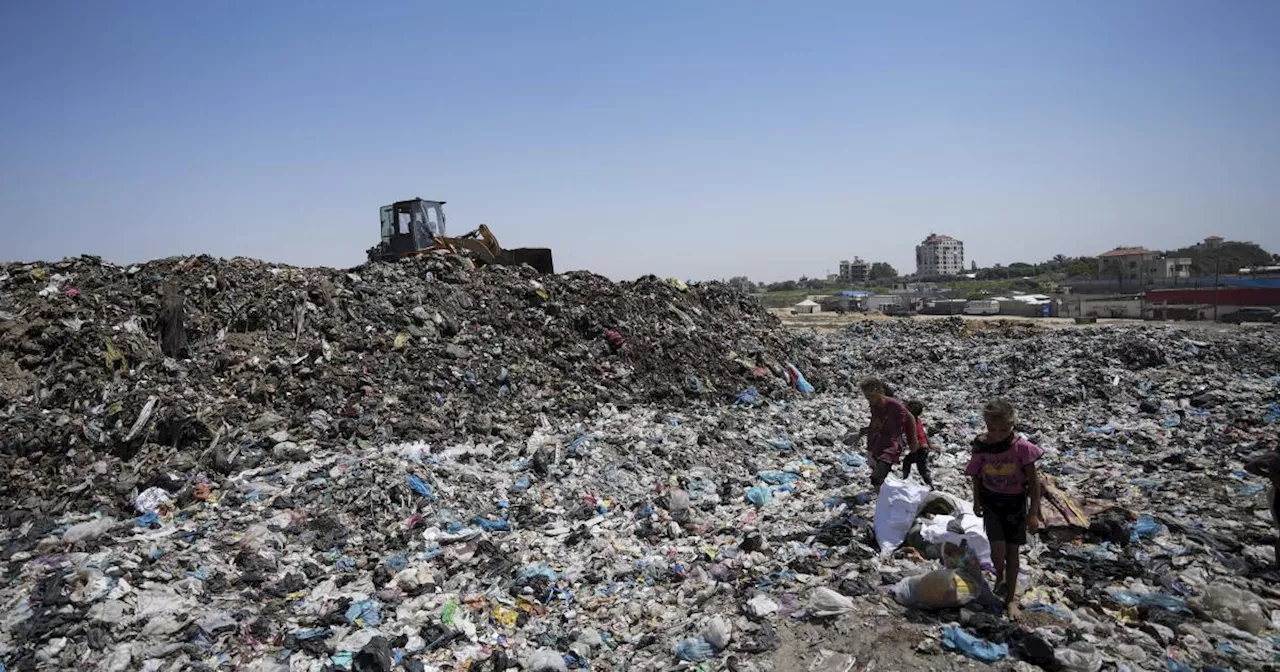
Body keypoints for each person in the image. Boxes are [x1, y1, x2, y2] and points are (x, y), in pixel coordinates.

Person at [965, 398, 1043, 619]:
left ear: (1012, 425)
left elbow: (1034, 482)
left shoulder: (1022, 448)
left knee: (1012, 552)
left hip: (1015, 504)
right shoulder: (981, 445)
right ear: (986, 424)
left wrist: (1033, 514)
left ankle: (1010, 600)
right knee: (997, 551)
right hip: (992, 502)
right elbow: (977, 476)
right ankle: (999, 575)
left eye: (1003, 429)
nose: (998, 434)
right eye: (992, 429)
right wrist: (976, 501)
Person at [858, 378, 919, 492]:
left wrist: (913, 441)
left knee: (877, 475)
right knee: (876, 470)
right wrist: (868, 431)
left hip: (891, 444)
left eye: (870, 396)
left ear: (878, 390)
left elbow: (909, 417)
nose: (869, 399)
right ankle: (882, 495)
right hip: (877, 442)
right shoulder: (874, 405)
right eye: (866, 397)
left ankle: (882, 494)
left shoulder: (893, 404)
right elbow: (875, 421)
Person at [1244, 448, 1280, 566]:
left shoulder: (1273, 457)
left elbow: (1249, 466)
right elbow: (1249, 466)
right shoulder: (1273, 458)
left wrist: (1268, 475)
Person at [901, 400, 934, 488]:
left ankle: (930, 486)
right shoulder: (917, 420)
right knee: (917, 465)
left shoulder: (909, 421)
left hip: (919, 448)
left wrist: (914, 447)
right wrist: (930, 445)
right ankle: (930, 485)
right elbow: (924, 434)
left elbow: (914, 434)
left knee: (919, 468)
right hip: (923, 447)